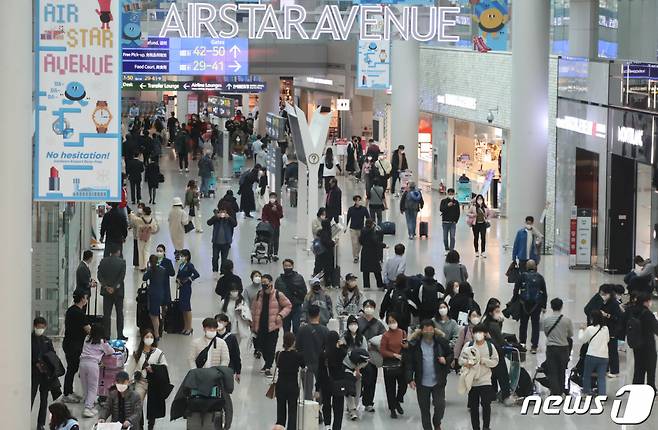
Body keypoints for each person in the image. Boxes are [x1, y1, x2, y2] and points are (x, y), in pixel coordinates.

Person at [406, 320, 453, 430]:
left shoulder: (441, 342)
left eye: (430, 329)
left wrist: (445, 360)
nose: (428, 332)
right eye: (425, 330)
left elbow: (450, 354)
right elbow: (409, 363)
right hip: (422, 382)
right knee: (424, 409)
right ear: (421, 331)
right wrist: (409, 379)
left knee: (440, 406)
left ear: (434, 330)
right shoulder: (414, 345)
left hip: (438, 381)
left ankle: (437, 422)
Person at [459, 324, 499, 430]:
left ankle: (486, 427)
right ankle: (475, 427)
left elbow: (495, 361)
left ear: (485, 334)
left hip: (485, 381)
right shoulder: (468, 345)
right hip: (471, 381)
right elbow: (461, 359)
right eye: (476, 332)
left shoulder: (490, 346)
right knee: (474, 407)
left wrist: (484, 361)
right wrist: (467, 363)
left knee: (486, 404)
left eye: (481, 332)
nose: (478, 335)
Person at [126, 330, 168, 430]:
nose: (149, 339)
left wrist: (153, 368)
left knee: (152, 404)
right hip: (140, 382)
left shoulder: (159, 353)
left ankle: (151, 425)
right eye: (147, 336)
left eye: (151, 337)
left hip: (153, 383)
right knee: (137, 403)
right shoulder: (137, 353)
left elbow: (164, 366)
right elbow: (131, 368)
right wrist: (128, 379)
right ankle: (140, 425)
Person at [251, 274, 292, 375]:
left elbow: (288, 305)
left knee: (271, 347)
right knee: (262, 346)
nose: (264, 285)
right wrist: (252, 324)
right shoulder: (258, 295)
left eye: (266, 282)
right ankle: (267, 362)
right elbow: (254, 310)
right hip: (260, 326)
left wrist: (280, 315)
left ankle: (268, 366)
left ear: (271, 282)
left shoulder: (278, 294)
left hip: (272, 326)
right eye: (262, 283)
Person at [481, 300, 514, 405]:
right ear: (491, 312)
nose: (499, 313)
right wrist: (509, 346)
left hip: (487, 353)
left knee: (491, 375)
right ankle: (505, 397)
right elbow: (500, 339)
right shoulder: (493, 325)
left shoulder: (485, 322)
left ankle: (491, 395)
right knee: (503, 376)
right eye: (497, 311)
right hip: (497, 353)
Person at [79, 324, 115, 417]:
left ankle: (89, 406)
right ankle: (88, 408)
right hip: (93, 365)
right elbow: (111, 351)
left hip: (82, 364)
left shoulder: (86, 338)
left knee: (85, 386)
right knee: (93, 388)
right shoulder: (102, 342)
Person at [512, 260, 547, 354]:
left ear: (526, 267)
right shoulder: (540, 277)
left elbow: (516, 290)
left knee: (523, 324)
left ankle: (522, 343)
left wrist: (514, 301)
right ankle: (534, 346)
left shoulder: (522, 276)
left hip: (524, 304)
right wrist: (544, 306)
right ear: (535, 267)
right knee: (535, 325)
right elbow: (544, 292)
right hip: (536, 305)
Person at [62, 291, 91, 404]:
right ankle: (66, 394)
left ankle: (69, 391)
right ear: (82, 299)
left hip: (70, 343)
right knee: (72, 368)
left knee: (72, 368)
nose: (87, 300)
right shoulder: (78, 313)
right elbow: (88, 329)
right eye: (86, 298)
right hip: (73, 345)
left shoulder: (71, 310)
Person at [357, 299, 386, 412]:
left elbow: (383, 339)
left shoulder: (378, 324)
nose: (369, 308)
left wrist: (375, 346)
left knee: (371, 379)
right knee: (358, 379)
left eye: (371, 306)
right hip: (359, 355)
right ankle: (356, 399)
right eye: (367, 306)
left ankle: (368, 402)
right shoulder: (358, 322)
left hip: (373, 356)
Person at [296, 304, 329, 400]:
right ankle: (319, 409)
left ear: (308, 315)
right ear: (319, 315)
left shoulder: (302, 330)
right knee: (320, 390)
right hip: (320, 366)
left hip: (306, 365)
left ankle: (308, 410)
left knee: (307, 391)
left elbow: (298, 347)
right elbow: (328, 349)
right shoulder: (325, 330)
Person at [317, 331, 348, 430]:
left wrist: (317, 388)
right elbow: (345, 351)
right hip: (339, 383)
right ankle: (337, 427)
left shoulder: (323, 354)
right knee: (338, 407)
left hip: (326, 383)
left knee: (326, 404)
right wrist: (341, 345)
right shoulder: (340, 352)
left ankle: (327, 425)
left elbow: (319, 372)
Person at [626, 292, 658, 389]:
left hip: (637, 344)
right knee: (650, 367)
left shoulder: (632, 311)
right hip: (648, 345)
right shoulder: (648, 314)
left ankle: (637, 386)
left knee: (639, 367)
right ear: (646, 302)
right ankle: (651, 387)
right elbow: (656, 328)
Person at [542, 298, 573, 395]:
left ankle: (554, 392)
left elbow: (546, 333)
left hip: (551, 348)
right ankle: (561, 389)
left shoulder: (546, 320)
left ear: (551, 307)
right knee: (562, 370)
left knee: (552, 371)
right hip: (563, 348)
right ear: (561, 306)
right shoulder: (567, 320)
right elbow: (570, 334)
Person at [32, 317, 59, 430]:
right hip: (33, 373)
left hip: (45, 374)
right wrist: (36, 363)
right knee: (30, 397)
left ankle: (40, 424)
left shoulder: (47, 340)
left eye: (43, 327)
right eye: (39, 327)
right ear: (34, 326)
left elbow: (52, 354)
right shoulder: (29, 339)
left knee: (44, 399)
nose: (40, 329)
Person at [274, 332, 305, 430]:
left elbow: (278, 365)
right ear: (293, 342)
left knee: (280, 411)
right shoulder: (298, 356)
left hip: (280, 385)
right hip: (292, 386)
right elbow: (304, 366)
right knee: (292, 411)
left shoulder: (279, 355)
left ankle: (280, 427)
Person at [380, 313, 407, 419]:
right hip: (389, 364)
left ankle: (397, 401)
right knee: (390, 388)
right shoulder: (386, 335)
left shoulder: (403, 333)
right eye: (390, 322)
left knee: (403, 385)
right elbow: (382, 350)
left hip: (401, 364)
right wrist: (394, 355)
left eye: (394, 321)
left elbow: (406, 345)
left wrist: (406, 346)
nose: (392, 324)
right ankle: (392, 409)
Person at [97, 244, 127, 340]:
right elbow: (121, 278)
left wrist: (106, 287)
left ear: (110, 252)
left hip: (106, 292)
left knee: (107, 314)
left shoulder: (103, 261)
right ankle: (120, 335)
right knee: (119, 313)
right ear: (118, 252)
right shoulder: (122, 262)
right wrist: (114, 287)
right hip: (118, 292)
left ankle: (107, 335)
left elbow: (99, 275)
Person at [579, 310, 610, 395]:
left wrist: (581, 330)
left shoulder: (590, 329)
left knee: (587, 375)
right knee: (601, 378)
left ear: (592, 319)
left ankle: (586, 393)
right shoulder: (605, 329)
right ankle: (602, 397)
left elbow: (582, 339)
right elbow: (607, 340)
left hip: (591, 355)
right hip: (604, 356)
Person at [342, 316, 367, 420]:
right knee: (348, 387)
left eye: (355, 324)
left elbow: (365, 354)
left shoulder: (362, 338)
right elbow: (342, 353)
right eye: (351, 324)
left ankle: (354, 407)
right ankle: (352, 410)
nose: (353, 326)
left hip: (359, 367)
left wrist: (358, 368)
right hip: (347, 366)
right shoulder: (344, 337)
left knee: (357, 389)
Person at [275, 259, 308, 334]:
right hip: (285, 308)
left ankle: (296, 343)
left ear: (292, 266)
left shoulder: (299, 278)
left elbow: (304, 292)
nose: (287, 268)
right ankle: (287, 343)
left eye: (289, 266)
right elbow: (276, 294)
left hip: (296, 307)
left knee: (297, 327)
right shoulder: (279, 280)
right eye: (285, 266)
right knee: (286, 328)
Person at [142, 255, 169, 339]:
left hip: (153, 294)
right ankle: (158, 331)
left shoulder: (150, 270)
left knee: (154, 315)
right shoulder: (162, 270)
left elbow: (144, 278)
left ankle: (156, 333)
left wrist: (147, 270)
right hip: (161, 293)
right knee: (156, 313)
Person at [207, 208, 238, 273]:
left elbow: (235, 224)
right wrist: (215, 217)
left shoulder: (229, 219)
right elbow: (209, 223)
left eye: (224, 212)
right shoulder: (216, 219)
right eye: (221, 212)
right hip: (216, 242)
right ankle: (215, 271)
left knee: (224, 259)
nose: (222, 214)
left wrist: (229, 217)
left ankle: (223, 271)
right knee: (215, 258)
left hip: (226, 243)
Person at [215, 313, 243, 382]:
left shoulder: (231, 338)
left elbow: (236, 355)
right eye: (216, 322)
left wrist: (238, 372)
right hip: (214, 368)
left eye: (221, 321)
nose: (218, 324)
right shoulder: (212, 336)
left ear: (226, 323)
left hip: (228, 368)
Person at [129, 207, 158, 271]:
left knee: (141, 251)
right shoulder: (152, 220)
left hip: (140, 238)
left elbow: (133, 218)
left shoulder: (140, 219)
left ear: (144, 212)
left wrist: (131, 213)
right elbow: (155, 229)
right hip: (148, 238)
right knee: (146, 251)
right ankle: (147, 265)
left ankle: (142, 267)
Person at [360, 219, 386, 289]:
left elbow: (360, 241)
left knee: (365, 270)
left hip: (365, 251)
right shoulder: (372, 232)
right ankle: (380, 285)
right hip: (372, 253)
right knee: (376, 269)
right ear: (372, 225)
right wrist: (384, 245)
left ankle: (366, 285)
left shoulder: (362, 231)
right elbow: (376, 242)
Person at [346, 195, 370, 263]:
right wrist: (346, 226)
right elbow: (348, 218)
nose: (358, 201)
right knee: (354, 243)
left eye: (359, 200)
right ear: (355, 201)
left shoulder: (364, 209)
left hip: (361, 228)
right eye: (357, 200)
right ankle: (355, 256)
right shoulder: (351, 209)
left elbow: (368, 217)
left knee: (359, 243)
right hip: (353, 228)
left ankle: (357, 254)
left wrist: (369, 226)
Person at [314, 220, 337, 288]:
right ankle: (327, 282)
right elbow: (327, 242)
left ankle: (316, 280)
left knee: (319, 267)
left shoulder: (320, 232)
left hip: (320, 253)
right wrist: (333, 243)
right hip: (327, 253)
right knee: (328, 268)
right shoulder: (326, 233)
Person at [262, 192, 284, 259]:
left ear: (276, 198)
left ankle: (275, 254)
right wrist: (265, 220)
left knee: (276, 239)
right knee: (269, 239)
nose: (272, 199)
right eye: (271, 197)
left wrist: (276, 211)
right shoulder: (266, 206)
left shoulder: (279, 206)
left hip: (276, 225)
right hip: (268, 226)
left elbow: (280, 216)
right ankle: (269, 252)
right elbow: (264, 215)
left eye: (274, 197)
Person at [439, 188, 460, 252]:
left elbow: (458, 212)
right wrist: (447, 205)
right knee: (445, 238)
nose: (451, 195)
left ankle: (451, 250)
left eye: (452, 193)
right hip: (445, 222)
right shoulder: (443, 201)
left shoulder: (456, 202)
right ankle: (446, 248)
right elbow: (441, 209)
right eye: (449, 193)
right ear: (447, 194)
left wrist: (455, 221)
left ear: (454, 194)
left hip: (452, 223)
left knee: (452, 237)